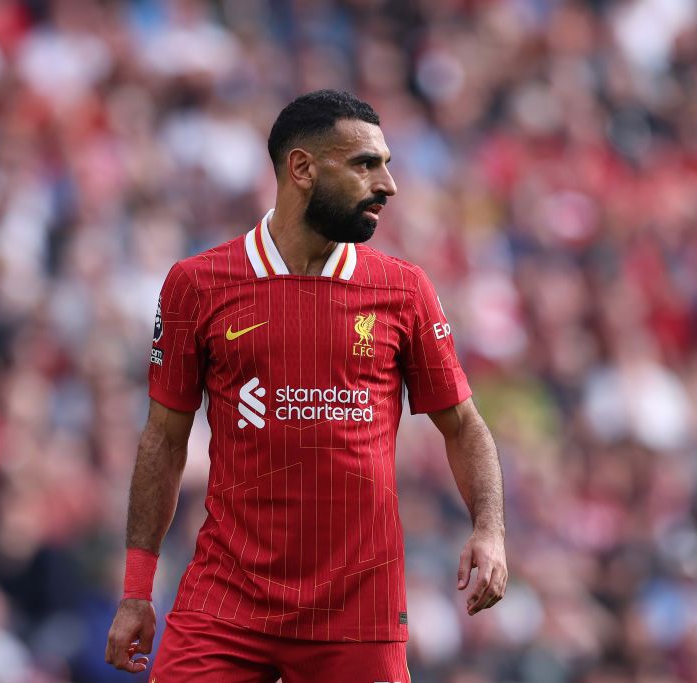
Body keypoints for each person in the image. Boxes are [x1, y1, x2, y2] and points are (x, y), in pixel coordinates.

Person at [104, 90, 507, 682]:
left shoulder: (404, 289)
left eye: (386, 163)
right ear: (302, 168)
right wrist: (137, 590)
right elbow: (162, 441)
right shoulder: (198, 284)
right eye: (366, 164)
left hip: (358, 612)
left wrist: (489, 528)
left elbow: (464, 424)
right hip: (227, 603)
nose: (388, 184)